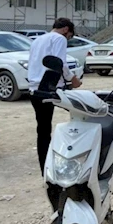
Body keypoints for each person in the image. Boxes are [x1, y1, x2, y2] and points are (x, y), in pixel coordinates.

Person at [28, 18, 82, 173]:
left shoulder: (38, 40)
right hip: (48, 88)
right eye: (69, 36)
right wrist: (73, 79)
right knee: (79, 114)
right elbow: (60, 63)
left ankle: (44, 166)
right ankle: (54, 165)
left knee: (43, 130)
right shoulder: (59, 39)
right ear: (66, 30)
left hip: (34, 87)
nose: (68, 39)